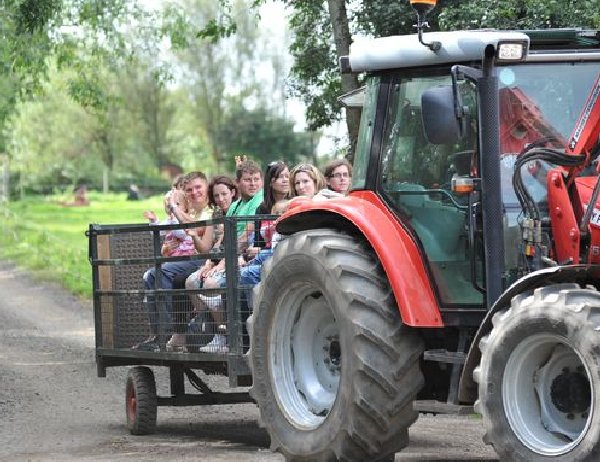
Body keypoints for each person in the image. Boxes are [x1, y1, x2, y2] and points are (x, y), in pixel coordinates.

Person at [134, 171, 214, 352]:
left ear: (206, 187)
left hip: (199, 259)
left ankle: (170, 329)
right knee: (150, 275)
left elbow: (194, 229)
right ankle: (157, 332)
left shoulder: (210, 211)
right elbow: (170, 236)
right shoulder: (191, 210)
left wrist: (175, 209)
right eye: (189, 190)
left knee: (160, 272)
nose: (194, 192)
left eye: (198, 187)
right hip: (183, 258)